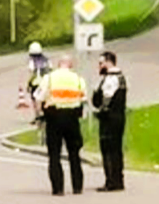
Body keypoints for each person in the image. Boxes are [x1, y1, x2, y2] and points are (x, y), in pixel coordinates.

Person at [33, 54, 87, 196]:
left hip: (54, 118)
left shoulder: (49, 78)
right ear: (71, 65)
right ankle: (77, 187)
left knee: (54, 155)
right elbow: (84, 99)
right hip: (73, 119)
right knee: (74, 154)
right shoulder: (78, 79)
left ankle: (58, 188)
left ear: (59, 64)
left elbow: (38, 98)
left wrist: (38, 116)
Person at [92, 51, 128, 192]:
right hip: (119, 117)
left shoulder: (111, 79)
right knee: (117, 150)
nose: (99, 66)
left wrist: (101, 109)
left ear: (108, 62)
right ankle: (118, 180)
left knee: (108, 150)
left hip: (109, 119)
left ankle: (111, 181)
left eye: (101, 63)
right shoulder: (121, 77)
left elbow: (104, 100)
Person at [25, 42, 51, 120]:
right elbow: (50, 69)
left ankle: (37, 114)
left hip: (36, 82)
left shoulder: (32, 61)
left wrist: (28, 83)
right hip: (46, 81)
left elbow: (32, 73)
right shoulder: (46, 60)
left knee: (34, 98)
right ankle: (46, 113)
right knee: (46, 97)